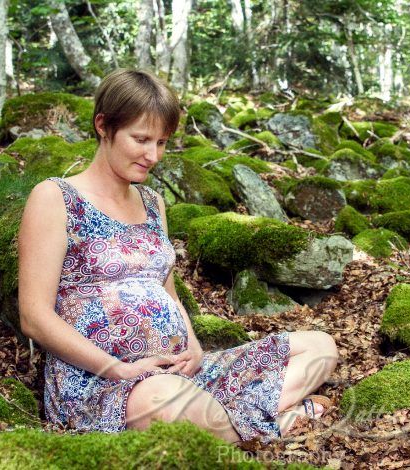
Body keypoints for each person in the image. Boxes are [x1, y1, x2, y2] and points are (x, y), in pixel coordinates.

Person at [17, 68, 339, 443]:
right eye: (140, 139)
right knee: (164, 403)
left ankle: (226, 422)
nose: (153, 155)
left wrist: (195, 346)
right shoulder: (55, 197)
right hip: (105, 384)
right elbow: (34, 317)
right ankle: (275, 422)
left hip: (182, 372)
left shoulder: (153, 204)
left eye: (162, 142)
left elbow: (167, 294)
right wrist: (116, 369)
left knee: (320, 348)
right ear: (103, 126)